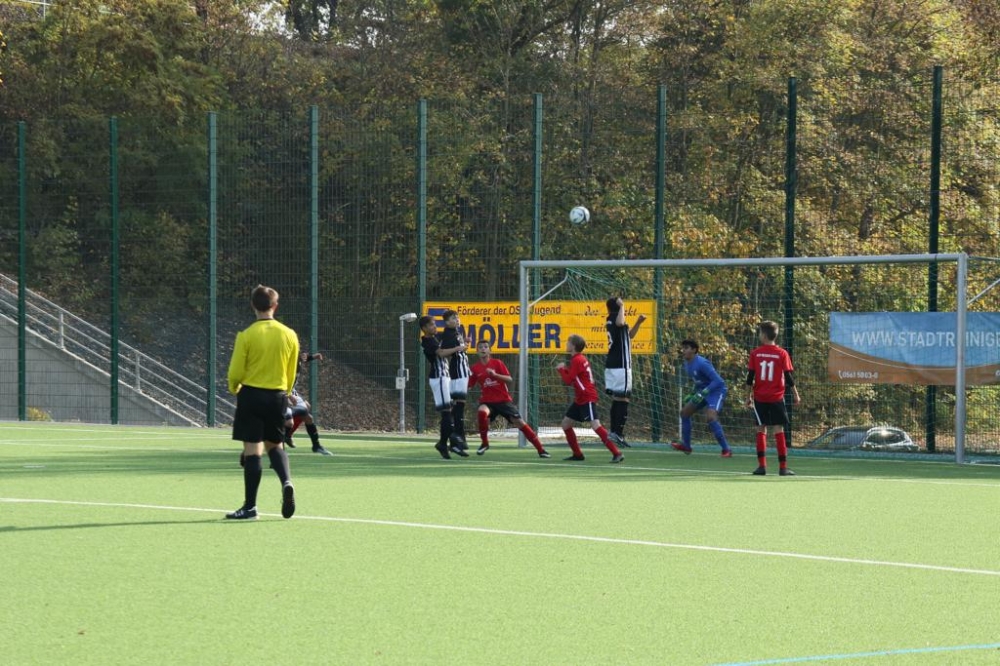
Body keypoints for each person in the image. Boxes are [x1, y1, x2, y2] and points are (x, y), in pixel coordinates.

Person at [226, 285, 300, 520]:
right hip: (277, 396)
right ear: (275, 306)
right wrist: (285, 391)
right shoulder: (289, 334)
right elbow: (292, 369)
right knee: (275, 445)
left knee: (252, 451)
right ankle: (286, 481)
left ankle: (250, 507)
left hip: (251, 396)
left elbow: (235, 371)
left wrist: (234, 387)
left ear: (253, 305)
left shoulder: (247, 335)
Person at [468, 340, 551, 458]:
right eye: (480, 347)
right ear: (477, 351)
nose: (483, 349)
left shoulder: (497, 363)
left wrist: (495, 375)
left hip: (503, 400)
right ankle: (485, 443)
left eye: (486, 347)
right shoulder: (475, 368)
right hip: (488, 401)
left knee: (520, 423)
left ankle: (541, 449)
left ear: (490, 350)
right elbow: (469, 384)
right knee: (482, 411)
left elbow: (509, 379)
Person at [556, 334, 624, 463]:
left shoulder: (577, 360)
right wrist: (565, 369)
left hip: (586, 397)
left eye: (568, 342)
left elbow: (568, 380)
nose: (566, 344)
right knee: (566, 424)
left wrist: (561, 370)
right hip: (580, 398)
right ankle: (577, 454)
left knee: (595, 425)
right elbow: (574, 377)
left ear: (573, 346)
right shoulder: (578, 359)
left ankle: (617, 452)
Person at [746, 320, 801, 476]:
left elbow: (750, 378)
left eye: (759, 332)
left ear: (764, 335)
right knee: (778, 429)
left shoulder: (755, 353)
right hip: (777, 397)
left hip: (760, 397)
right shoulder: (782, 353)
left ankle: (761, 466)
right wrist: (796, 394)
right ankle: (783, 468)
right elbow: (788, 377)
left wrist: (748, 396)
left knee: (760, 429)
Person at [670, 339, 732, 457]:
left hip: (716, 391)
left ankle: (726, 450)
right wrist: (693, 393)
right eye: (683, 348)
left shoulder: (702, 363)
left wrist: (703, 393)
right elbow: (699, 382)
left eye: (686, 348)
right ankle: (686, 446)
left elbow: (718, 381)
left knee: (711, 417)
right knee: (684, 413)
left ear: (694, 350)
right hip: (702, 392)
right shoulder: (686, 364)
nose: (683, 351)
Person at [420, 315, 465, 459]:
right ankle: (451, 442)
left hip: (445, 377)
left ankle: (444, 444)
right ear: (424, 328)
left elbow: (448, 338)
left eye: (435, 324)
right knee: (446, 413)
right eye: (431, 325)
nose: (435, 327)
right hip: (438, 378)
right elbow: (441, 353)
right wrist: (457, 348)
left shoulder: (436, 338)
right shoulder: (427, 341)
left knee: (449, 412)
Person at [604, 297, 646, 448]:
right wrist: (623, 306)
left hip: (614, 364)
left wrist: (638, 322)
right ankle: (617, 433)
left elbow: (629, 335)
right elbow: (621, 323)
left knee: (618, 398)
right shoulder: (615, 318)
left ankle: (613, 432)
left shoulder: (612, 320)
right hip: (621, 364)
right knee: (623, 398)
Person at [282, 351, 331, 456]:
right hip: (281, 391)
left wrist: (314, 356)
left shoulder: (298, 359)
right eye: (301, 353)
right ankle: (280, 448)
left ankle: (316, 446)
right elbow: (279, 381)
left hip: (291, 390)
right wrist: (289, 395)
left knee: (308, 417)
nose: (303, 355)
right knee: (287, 420)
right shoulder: (285, 362)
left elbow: (305, 358)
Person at [439, 309, 472, 455]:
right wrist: (458, 348)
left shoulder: (457, 333)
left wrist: (464, 344)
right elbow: (443, 351)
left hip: (463, 370)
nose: (457, 319)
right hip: (457, 371)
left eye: (457, 317)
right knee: (458, 407)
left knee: (458, 407)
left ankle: (453, 439)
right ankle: (457, 438)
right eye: (453, 318)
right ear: (446, 322)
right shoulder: (448, 334)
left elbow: (459, 351)